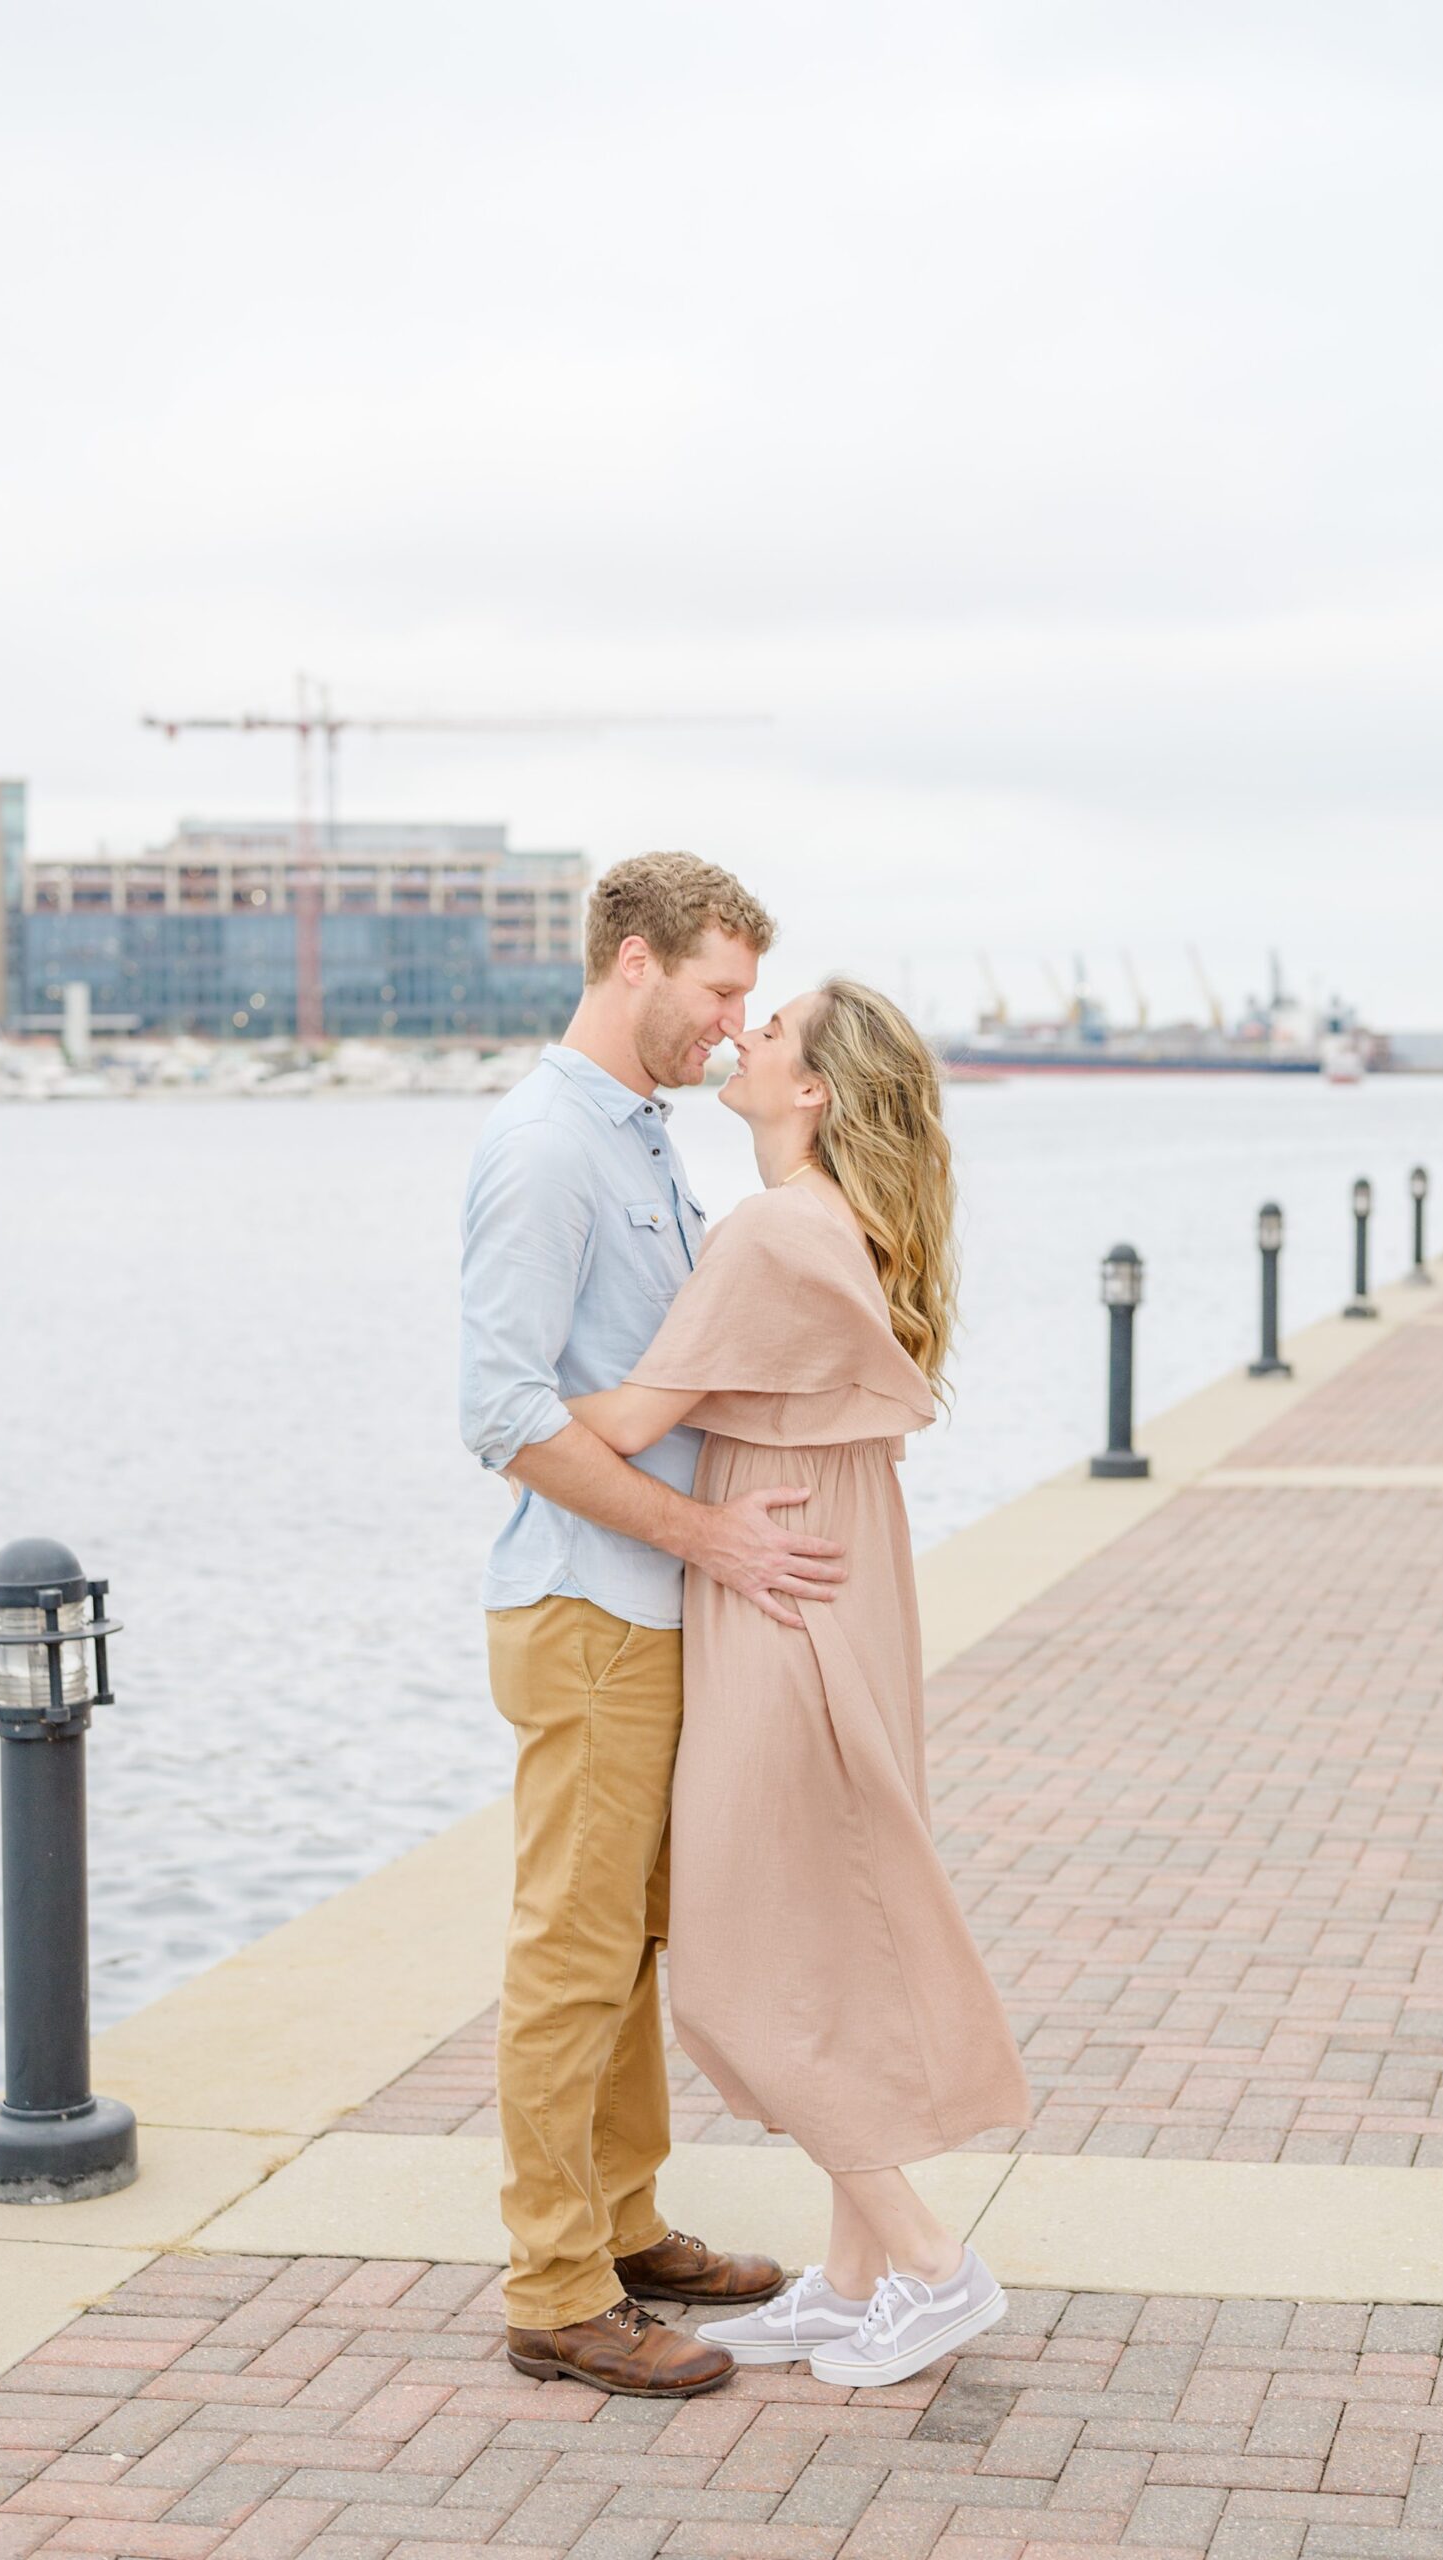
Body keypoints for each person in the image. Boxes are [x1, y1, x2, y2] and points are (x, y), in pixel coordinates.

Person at [563, 977, 1031, 2389]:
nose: (744, 1036)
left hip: (783, 1594)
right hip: (840, 1571)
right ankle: (854, 2276)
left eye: (771, 1033)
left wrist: (506, 1396)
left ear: (814, 1088)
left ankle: (933, 2262)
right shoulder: (838, 1222)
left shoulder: (773, 1231)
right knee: (827, 1919)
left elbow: (627, 1421)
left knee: (743, 1958)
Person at [459, 853, 849, 2400]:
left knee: (627, 1946)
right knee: (573, 1952)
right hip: (590, 1610)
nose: (732, 1024)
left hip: (645, 1609)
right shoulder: (549, 1148)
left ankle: (621, 2225)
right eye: (718, 992)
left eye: (749, 997)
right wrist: (707, 1539)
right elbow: (500, 1415)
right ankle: (556, 2288)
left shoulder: (643, 1142)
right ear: (633, 963)